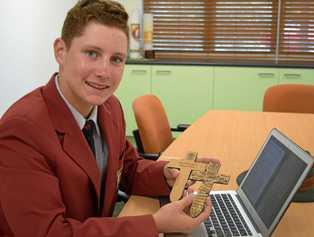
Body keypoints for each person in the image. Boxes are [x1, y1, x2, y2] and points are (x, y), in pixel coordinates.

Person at [0, 0, 213, 236]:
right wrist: (154, 224)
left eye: (116, 59)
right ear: (61, 51)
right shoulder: (21, 130)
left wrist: (168, 174)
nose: (104, 72)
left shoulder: (110, 107)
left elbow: (128, 169)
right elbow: (48, 233)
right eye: (92, 53)